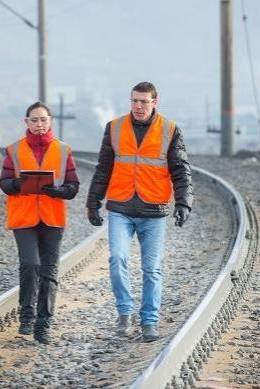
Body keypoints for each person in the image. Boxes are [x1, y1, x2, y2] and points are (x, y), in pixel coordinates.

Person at [86, 81, 193, 342]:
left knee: (151, 269)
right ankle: (124, 312)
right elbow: (103, 168)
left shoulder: (170, 129)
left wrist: (183, 202)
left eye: (143, 101)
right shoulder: (114, 128)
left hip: (153, 210)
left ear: (155, 102)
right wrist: (93, 201)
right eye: (134, 100)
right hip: (121, 207)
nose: (138, 106)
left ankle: (149, 321)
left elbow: (181, 170)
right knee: (117, 259)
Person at [0, 101, 79, 345]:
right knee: (30, 264)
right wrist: (21, 184)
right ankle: (26, 313)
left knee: (49, 271)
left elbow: (73, 186)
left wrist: (58, 191)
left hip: (52, 218)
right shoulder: (13, 150)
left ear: (50, 121)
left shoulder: (63, 150)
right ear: (26, 122)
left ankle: (43, 324)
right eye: (34, 120)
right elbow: (4, 183)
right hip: (23, 218)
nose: (39, 124)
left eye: (43, 119)